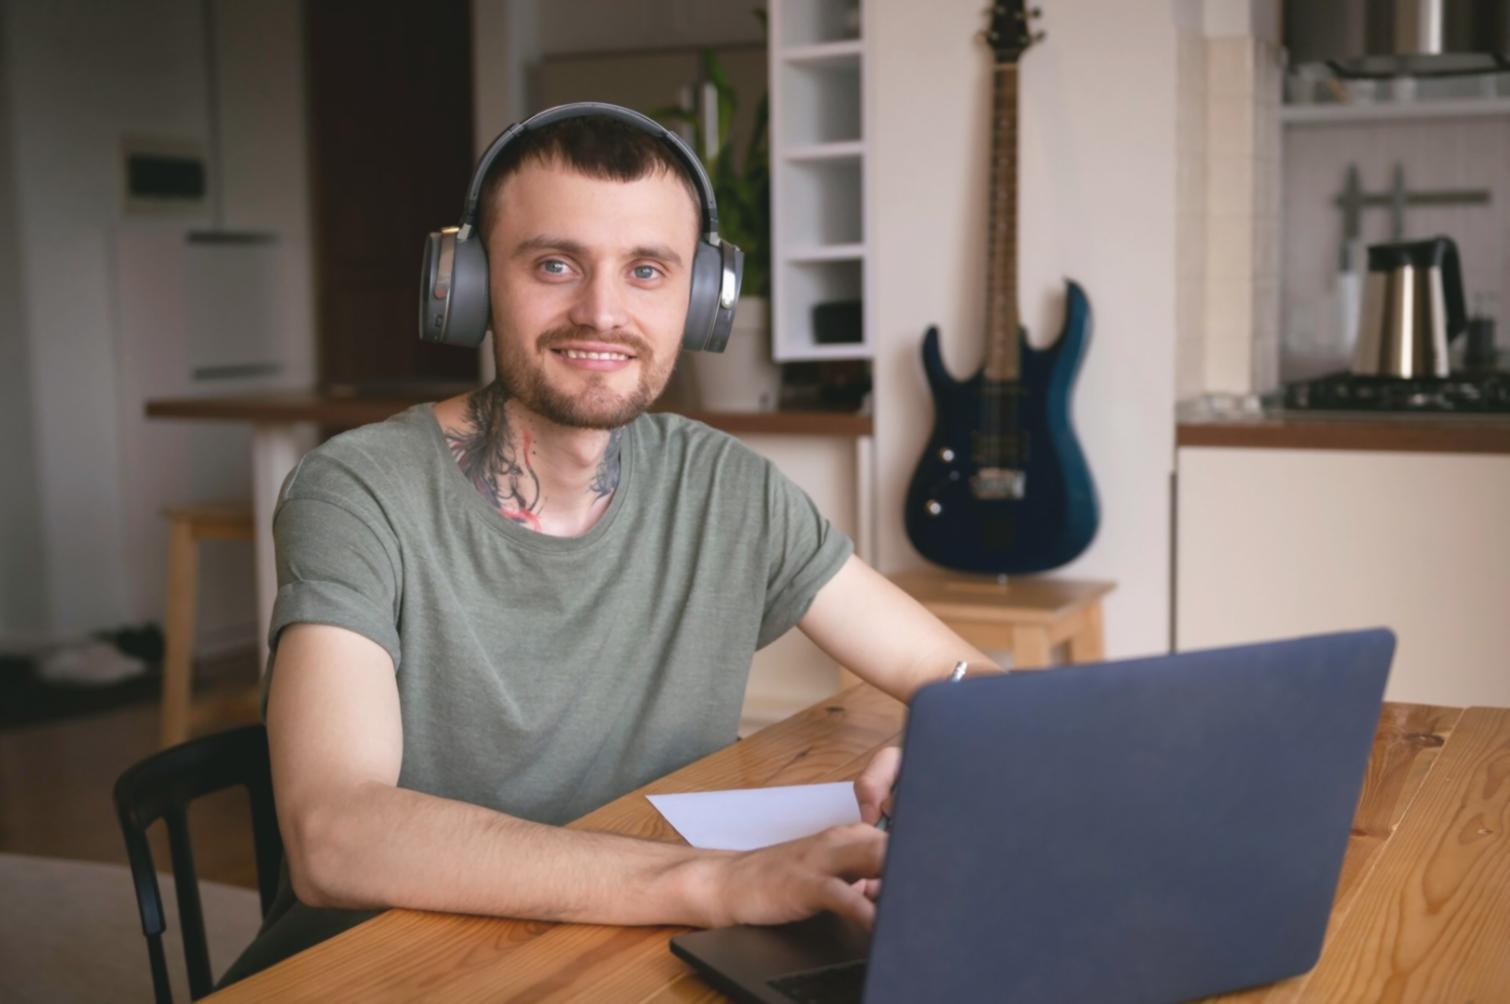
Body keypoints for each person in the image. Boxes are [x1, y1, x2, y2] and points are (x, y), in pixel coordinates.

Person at [221, 107, 993, 985]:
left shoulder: (726, 487)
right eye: (555, 264)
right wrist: (717, 883)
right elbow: (334, 836)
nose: (601, 312)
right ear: (468, 285)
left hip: (628, 953)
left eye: (647, 270)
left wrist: (950, 744)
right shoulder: (357, 491)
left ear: (701, 300)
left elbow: (961, 676)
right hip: (389, 969)